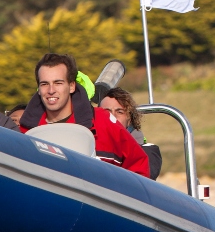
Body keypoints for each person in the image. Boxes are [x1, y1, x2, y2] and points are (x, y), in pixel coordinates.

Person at [18, 53, 150, 177]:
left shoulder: (103, 121)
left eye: (58, 83)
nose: (51, 90)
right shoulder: (24, 133)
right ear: (39, 90)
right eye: (45, 84)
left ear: (71, 86)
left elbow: (139, 167)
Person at [101, 87, 163, 180]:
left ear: (129, 120)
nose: (112, 116)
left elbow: (142, 179)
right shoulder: (88, 145)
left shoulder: (148, 151)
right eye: (107, 112)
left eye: (119, 112)